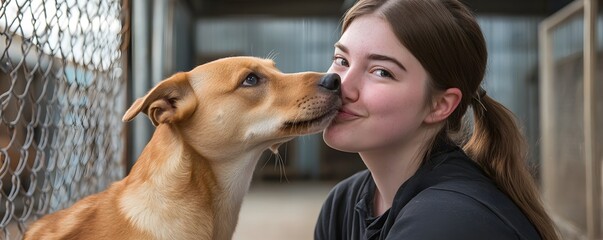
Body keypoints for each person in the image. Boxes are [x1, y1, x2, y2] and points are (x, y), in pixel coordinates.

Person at [314, 0, 559, 239]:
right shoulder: (343, 204)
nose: (342, 86)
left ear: (440, 105)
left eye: (381, 72)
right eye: (341, 60)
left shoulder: (450, 221)